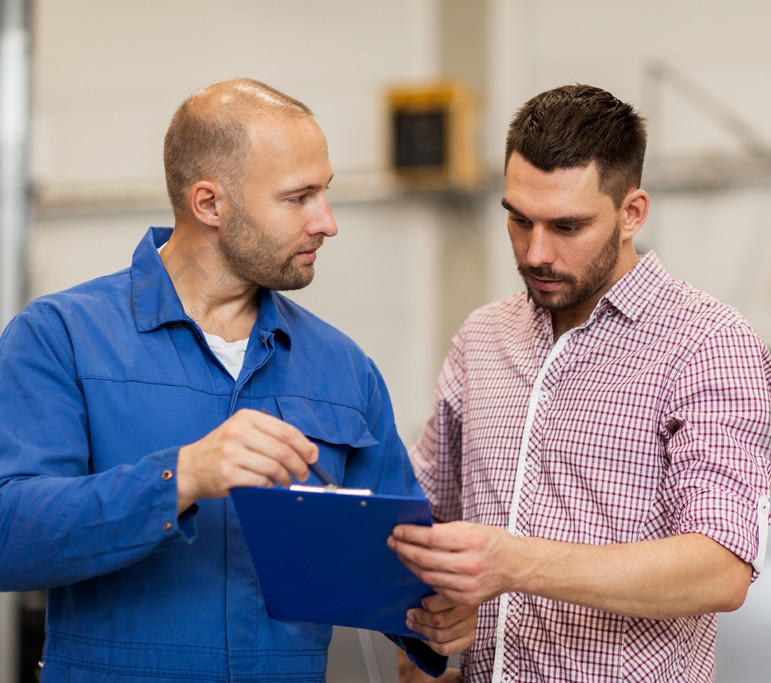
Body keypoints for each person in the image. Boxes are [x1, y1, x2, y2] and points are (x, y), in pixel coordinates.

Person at [0, 78, 474, 681]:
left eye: (325, 193)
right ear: (209, 204)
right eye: (298, 197)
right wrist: (183, 476)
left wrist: (439, 613)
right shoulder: (61, 337)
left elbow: (399, 564)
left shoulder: (343, 367)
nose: (326, 222)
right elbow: (7, 531)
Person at [388, 84, 771, 682]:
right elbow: (424, 514)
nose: (536, 252)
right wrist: (425, 646)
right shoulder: (483, 337)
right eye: (519, 220)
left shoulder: (707, 343)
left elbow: (719, 569)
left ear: (632, 213)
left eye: (567, 226)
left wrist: (515, 563)